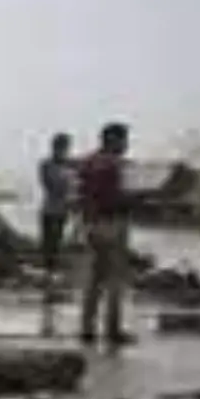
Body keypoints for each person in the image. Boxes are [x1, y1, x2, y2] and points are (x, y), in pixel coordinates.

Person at [77, 122, 134, 346]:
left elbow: (81, 194)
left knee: (93, 280)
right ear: (114, 140)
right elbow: (117, 197)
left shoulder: (88, 163)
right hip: (112, 223)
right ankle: (112, 329)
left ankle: (87, 328)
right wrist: (135, 200)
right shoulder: (116, 165)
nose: (126, 145)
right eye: (124, 140)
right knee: (114, 281)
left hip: (91, 225)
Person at [37, 133, 76, 279]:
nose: (63, 151)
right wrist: (66, 181)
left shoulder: (69, 164)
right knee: (48, 240)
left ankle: (52, 269)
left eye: (65, 147)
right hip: (49, 208)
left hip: (62, 208)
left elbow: (73, 184)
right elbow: (50, 184)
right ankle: (48, 269)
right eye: (60, 147)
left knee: (58, 238)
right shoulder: (46, 164)